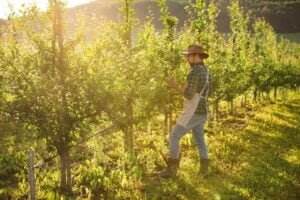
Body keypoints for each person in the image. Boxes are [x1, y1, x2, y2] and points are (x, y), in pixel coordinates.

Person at [160, 44, 211, 178]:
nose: (187, 58)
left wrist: (174, 85)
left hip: (193, 112)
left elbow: (189, 94)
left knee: (174, 136)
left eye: (189, 56)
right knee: (199, 139)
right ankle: (205, 169)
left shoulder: (194, 72)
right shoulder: (205, 71)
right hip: (202, 110)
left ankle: (171, 170)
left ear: (196, 56)